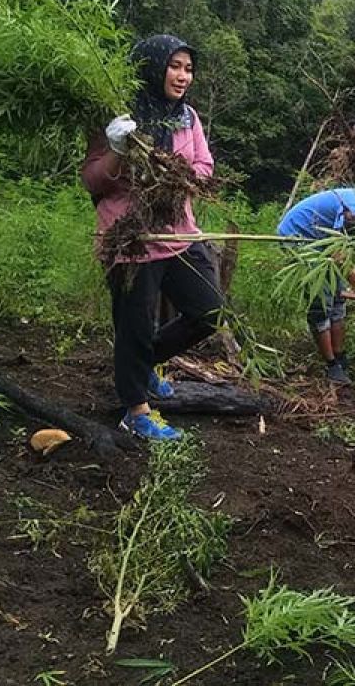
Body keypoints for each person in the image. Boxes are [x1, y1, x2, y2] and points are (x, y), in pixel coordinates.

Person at [82, 34, 223, 442]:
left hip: (179, 233)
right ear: (151, 66)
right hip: (132, 239)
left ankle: (139, 363)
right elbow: (93, 180)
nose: (183, 76)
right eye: (174, 66)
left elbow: (204, 165)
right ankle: (135, 409)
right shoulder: (118, 118)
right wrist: (117, 149)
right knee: (135, 324)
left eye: (188, 68)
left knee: (209, 312)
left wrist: (176, 177)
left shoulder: (187, 117)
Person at [278, 187, 355, 385]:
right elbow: (338, 254)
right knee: (322, 301)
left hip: (323, 241)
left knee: (337, 299)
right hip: (299, 237)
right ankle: (332, 365)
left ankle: (340, 357)